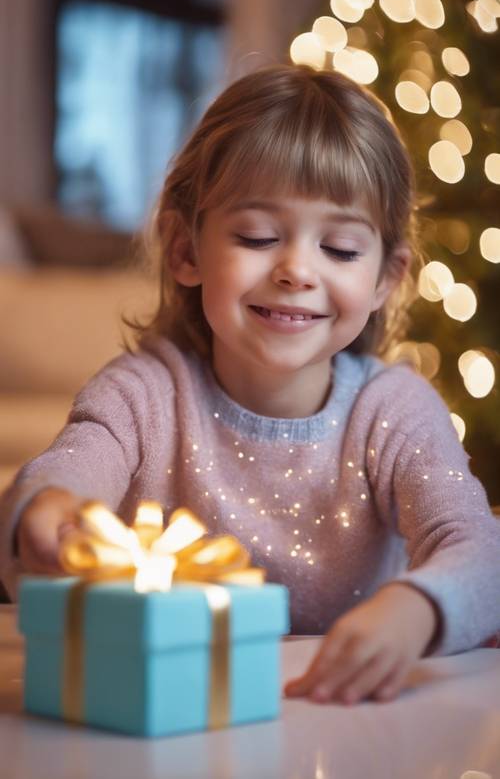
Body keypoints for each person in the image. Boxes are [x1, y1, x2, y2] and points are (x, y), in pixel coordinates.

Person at [1, 65, 500, 707]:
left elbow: (479, 548)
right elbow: (65, 474)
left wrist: (417, 610)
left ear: (385, 278)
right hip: (175, 720)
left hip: (345, 722)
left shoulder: (394, 412)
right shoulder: (143, 394)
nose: (296, 270)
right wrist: (47, 512)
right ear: (186, 250)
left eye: (342, 249)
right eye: (258, 237)